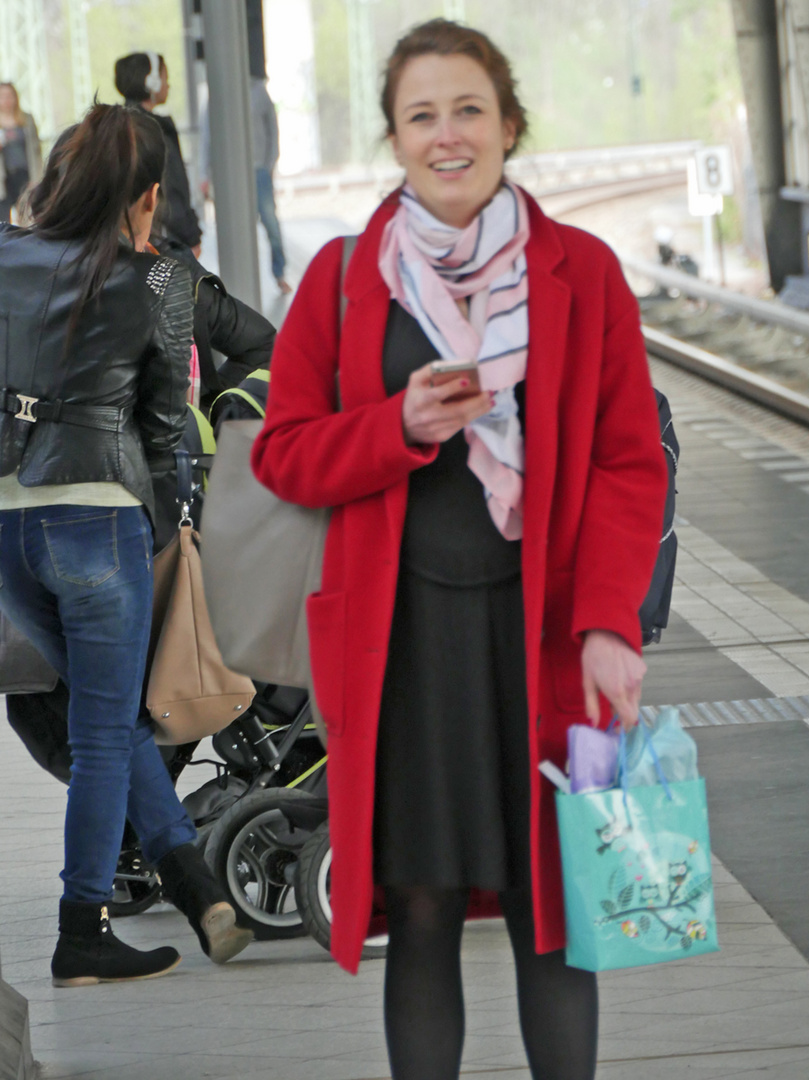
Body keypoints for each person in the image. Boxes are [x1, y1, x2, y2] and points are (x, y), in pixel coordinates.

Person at [251, 18, 668, 1080]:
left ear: (510, 125)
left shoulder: (586, 274)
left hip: (545, 637)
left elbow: (630, 463)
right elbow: (286, 455)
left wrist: (612, 623)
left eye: (468, 110)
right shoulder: (345, 281)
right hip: (403, 649)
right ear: (393, 139)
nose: (448, 135)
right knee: (423, 903)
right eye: (421, 115)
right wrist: (399, 429)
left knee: (553, 903)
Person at [0, 103, 252, 988]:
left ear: (56, 182)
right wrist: (156, 523)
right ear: (147, 198)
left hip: (6, 528)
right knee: (106, 729)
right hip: (99, 521)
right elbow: (160, 425)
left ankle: (194, 885)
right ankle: (82, 929)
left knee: (108, 715)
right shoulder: (158, 282)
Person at [200, 77, 291, 294]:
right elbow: (207, 137)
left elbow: (272, 127)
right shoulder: (216, 94)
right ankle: (238, 281)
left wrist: (270, 163)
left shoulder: (259, 91)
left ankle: (279, 273)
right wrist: (205, 174)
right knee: (238, 228)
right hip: (230, 174)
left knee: (271, 223)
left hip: (259, 170)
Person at [114, 52, 202, 256]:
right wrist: (190, 237)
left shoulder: (117, 127)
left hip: (130, 240)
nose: (168, 85)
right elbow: (172, 190)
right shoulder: (156, 131)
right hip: (165, 240)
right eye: (164, 78)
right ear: (151, 82)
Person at [0, 82, 41, 222]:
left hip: (24, 174)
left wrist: (37, 177)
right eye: (3, 96)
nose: (6, 100)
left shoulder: (27, 120)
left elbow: (36, 151)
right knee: (4, 220)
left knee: (27, 216)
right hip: (4, 178)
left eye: (9, 96)